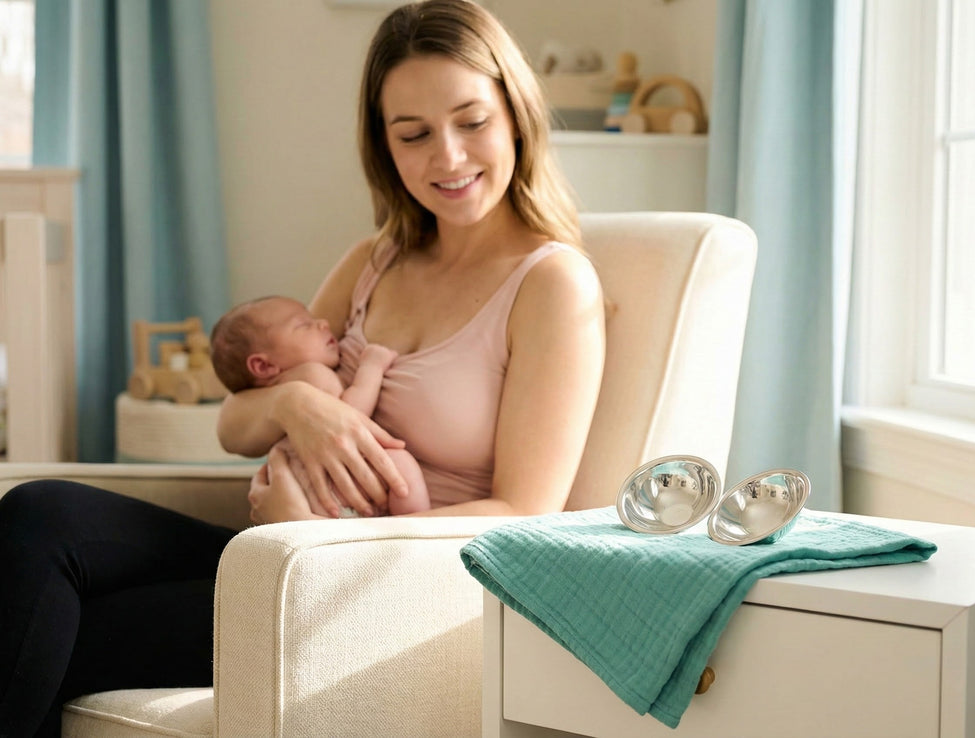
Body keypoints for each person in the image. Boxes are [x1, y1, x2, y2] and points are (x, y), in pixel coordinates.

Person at [0, 0, 605, 733]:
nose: (447, 157)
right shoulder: (377, 259)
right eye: (412, 134)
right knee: (42, 512)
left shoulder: (551, 284)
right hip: (289, 552)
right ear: (383, 145)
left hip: (392, 583)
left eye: (471, 122)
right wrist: (297, 408)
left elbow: (528, 513)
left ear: (515, 114)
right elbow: (235, 421)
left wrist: (321, 541)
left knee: (58, 625)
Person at [208, 294, 431, 517]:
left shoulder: (271, 391)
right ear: (263, 365)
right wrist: (372, 367)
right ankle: (412, 523)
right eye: (304, 325)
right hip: (332, 483)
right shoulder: (311, 374)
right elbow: (350, 417)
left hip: (306, 491)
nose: (323, 323)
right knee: (400, 464)